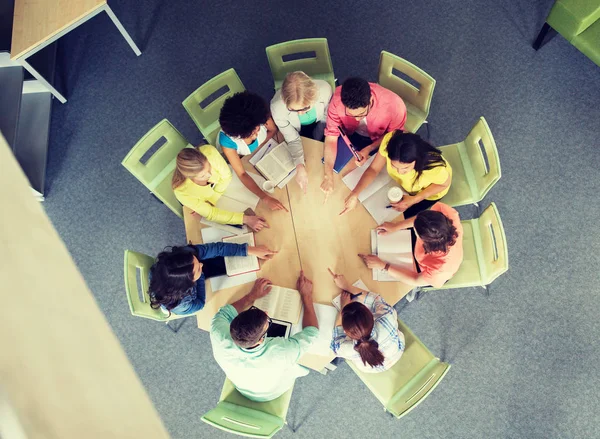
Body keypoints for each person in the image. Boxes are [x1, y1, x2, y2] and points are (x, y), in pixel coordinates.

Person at [210, 272, 319, 401]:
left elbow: (225, 312)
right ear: (261, 339)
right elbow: (312, 331)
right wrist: (306, 295)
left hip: (242, 386)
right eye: (268, 322)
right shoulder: (282, 352)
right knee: (305, 365)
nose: (267, 314)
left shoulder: (218, 332)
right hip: (271, 393)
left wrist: (251, 296)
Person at [321, 77, 407, 199]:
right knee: (343, 175)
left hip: (379, 141)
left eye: (362, 114)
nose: (357, 119)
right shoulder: (337, 99)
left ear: (370, 100)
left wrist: (369, 148)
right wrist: (328, 175)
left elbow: (393, 136)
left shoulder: (395, 106)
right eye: (350, 115)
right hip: (350, 135)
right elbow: (331, 137)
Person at [341, 131, 452, 219]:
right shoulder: (390, 140)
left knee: (401, 218)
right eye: (394, 166)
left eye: (405, 168)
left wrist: (415, 199)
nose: (399, 172)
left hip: (428, 192)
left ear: (417, 161)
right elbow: (374, 169)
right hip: (405, 186)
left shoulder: (434, 168)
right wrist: (355, 193)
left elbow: (444, 184)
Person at [148, 243, 277, 316]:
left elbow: (216, 248)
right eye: (198, 268)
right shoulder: (181, 305)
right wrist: (201, 275)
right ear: (188, 283)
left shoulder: (185, 256)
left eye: (197, 261)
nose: (202, 264)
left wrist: (249, 250)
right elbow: (199, 304)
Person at [359, 202, 463, 289]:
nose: (414, 228)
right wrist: (396, 226)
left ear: (425, 241)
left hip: (427, 273)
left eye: (416, 231)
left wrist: (383, 266)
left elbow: (415, 279)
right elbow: (419, 220)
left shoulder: (439, 269)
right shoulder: (447, 215)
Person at [172, 146, 268, 232]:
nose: (209, 175)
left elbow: (227, 176)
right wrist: (246, 219)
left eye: (209, 169)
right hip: (216, 205)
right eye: (202, 176)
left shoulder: (209, 152)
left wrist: (214, 197)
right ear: (190, 177)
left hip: (218, 195)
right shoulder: (182, 192)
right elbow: (212, 214)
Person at [217, 91, 286, 211]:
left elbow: (273, 130)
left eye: (258, 129)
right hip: (242, 157)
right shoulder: (227, 142)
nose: (256, 135)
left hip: (258, 154)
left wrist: (260, 145)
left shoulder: (258, 117)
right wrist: (265, 198)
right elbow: (241, 174)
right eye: (252, 134)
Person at [327, 269, 405, 373]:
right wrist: (347, 286)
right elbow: (376, 299)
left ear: (346, 330)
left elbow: (336, 339)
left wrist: (343, 307)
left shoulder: (346, 349)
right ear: (370, 314)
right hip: (395, 353)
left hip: (372, 368)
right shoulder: (387, 317)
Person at [270, 71, 333, 192]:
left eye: (305, 108)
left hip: (320, 124)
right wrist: (299, 165)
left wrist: (316, 137)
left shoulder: (325, 90)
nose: (301, 113)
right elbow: (292, 138)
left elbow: (326, 119)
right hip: (296, 129)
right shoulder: (276, 108)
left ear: (314, 96)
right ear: (284, 99)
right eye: (293, 109)